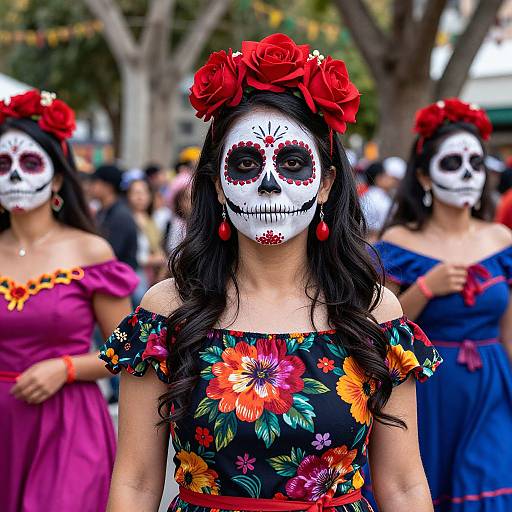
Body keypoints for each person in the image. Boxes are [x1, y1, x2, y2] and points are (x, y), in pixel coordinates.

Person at [99, 35, 440, 512]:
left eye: (293, 163)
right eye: (244, 163)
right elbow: (135, 482)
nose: (267, 185)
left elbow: (404, 484)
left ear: (325, 184)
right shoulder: (166, 310)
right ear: (217, 186)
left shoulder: (372, 310)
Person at [0, 90, 138, 511]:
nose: (15, 176)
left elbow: (128, 350)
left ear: (58, 178)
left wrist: (66, 368)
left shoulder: (90, 252)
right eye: (3, 164)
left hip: (69, 425)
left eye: (30, 163)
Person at [373, 98, 512, 511]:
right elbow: (377, 333)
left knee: (490, 482)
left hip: (491, 388)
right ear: (424, 177)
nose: (467, 174)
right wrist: (425, 290)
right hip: (427, 391)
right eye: (452, 163)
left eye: (476, 163)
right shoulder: (398, 245)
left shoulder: (502, 241)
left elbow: (510, 329)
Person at [90, 163, 138, 269]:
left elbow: (113, 252)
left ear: (108, 187)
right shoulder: (103, 211)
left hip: (122, 277)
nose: (91, 187)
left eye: (95, 182)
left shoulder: (120, 215)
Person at [125, 177, 166, 296]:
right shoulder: (127, 219)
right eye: (136, 193)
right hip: (136, 271)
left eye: (144, 192)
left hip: (152, 273)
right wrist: (152, 259)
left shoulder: (150, 220)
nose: (140, 197)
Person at [360, 158, 405, 242]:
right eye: (385, 176)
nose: (392, 180)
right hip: (375, 242)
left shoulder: (368, 195)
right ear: (379, 178)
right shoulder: (380, 200)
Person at [164, 170, 192, 254]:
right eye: (186, 198)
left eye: (193, 197)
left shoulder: (197, 223)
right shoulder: (176, 224)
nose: (191, 202)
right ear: (178, 201)